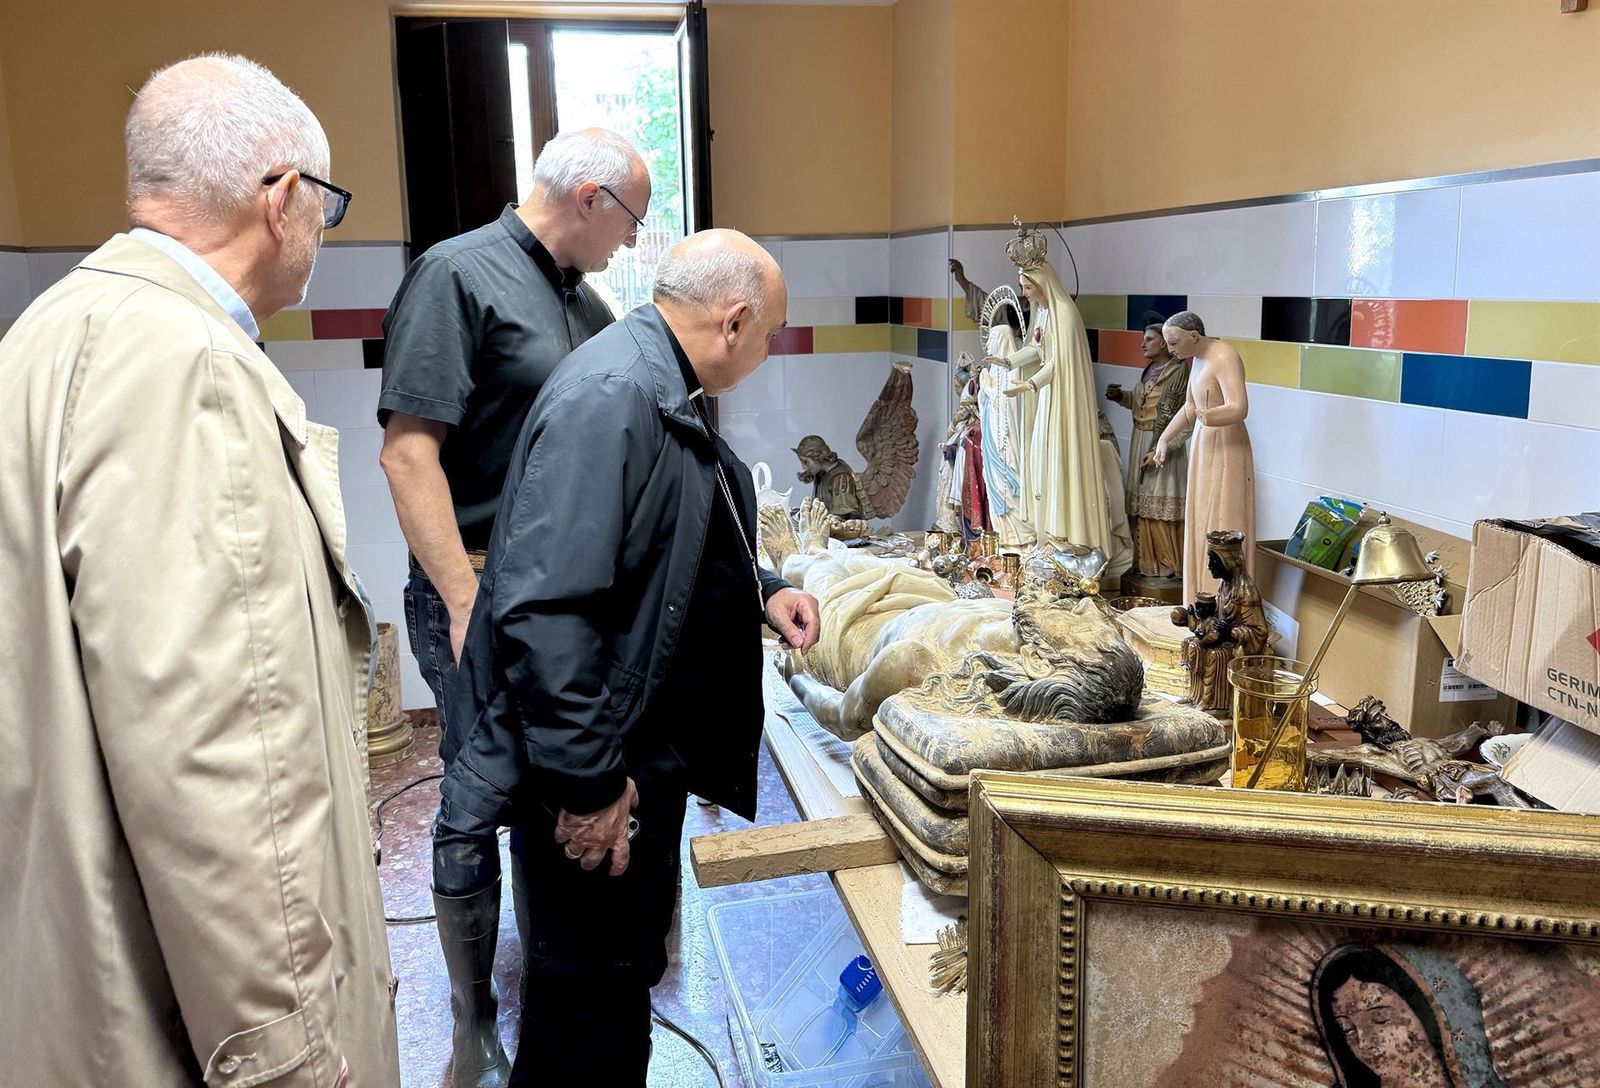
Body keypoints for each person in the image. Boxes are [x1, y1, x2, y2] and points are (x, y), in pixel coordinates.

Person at [0, 54, 397, 1087]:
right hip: (187, 1030)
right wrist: (296, 1060)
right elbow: (225, 768)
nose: (321, 229)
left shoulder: (47, 332)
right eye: (328, 204)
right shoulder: (186, 368)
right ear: (283, 200)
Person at [441, 229, 820, 1085]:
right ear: (733, 322)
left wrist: (760, 588)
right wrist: (588, 788)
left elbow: (661, 539)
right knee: (586, 1006)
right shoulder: (616, 393)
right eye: (773, 333)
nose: (771, 350)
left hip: (638, 748)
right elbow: (545, 611)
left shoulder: (661, 375)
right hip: (599, 763)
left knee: (619, 980)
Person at [378, 127, 647, 1086]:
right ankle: (472, 1033)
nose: (629, 242)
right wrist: (461, 597)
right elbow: (408, 453)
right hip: (476, 583)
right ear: (589, 197)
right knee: (471, 803)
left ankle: (552, 991)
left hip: (555, 597)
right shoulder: (457, 277)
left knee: (551, 795)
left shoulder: (587, 301)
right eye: (630, 220)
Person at [1151, 310, 1256, 601]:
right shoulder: (1195, 359)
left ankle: (1222, 599)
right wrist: (1164, 439)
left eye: (1173, 342)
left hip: (1226, 446)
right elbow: (1188, 407)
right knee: (1201, 518)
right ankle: (1199, 598)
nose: (1170, 349)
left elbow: (1239, 407)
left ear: (1194, 336)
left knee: (1222, 516)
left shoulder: (1225, 357)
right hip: (1204, 442)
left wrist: (1207, 416)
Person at [1105, 324, 1192, 579]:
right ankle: (1146, 565)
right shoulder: (1150, 370)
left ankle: (1169, 566)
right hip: (1139, 439)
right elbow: (1144, 401)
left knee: (1160, 509)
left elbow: (1187, 418)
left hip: (1165, 448)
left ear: (1164, 343)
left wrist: (1162, 449)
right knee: (1141, 508)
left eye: (1149, 340)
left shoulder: (1178, 373)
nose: (1142, 344)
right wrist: (1121, 396)